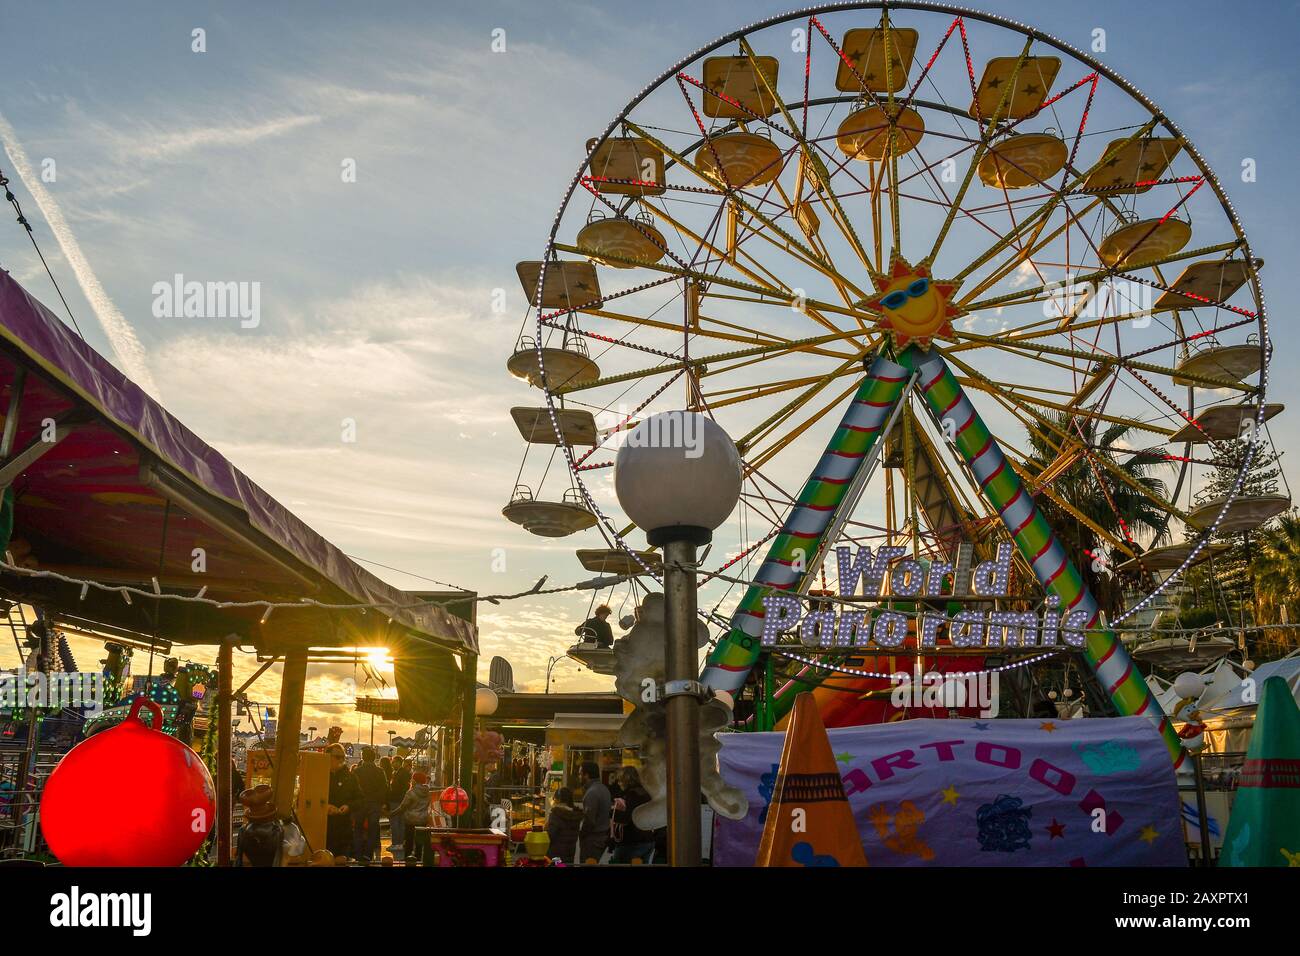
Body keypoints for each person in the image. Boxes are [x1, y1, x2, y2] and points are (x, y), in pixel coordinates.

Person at [609, 766, 656, 863]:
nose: (619, 783)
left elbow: (626, 818)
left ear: (626, 780)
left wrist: (615, 811)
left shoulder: (632, 795)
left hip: (633, 840)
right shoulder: (646, 792)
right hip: (648, 839)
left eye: (620, 780)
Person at [351, 745, 388, 862]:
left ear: (363, 757)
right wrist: (382, 802)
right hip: (374, 804)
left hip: (360, 803)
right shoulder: (380, 771)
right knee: (373, 830)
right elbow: (385, 788)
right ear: (373, 758)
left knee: (358, 829)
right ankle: (368, 854)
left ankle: (357, 855)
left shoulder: (357, 771)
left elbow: (352, 789)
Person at [325, 744, 361, 857]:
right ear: (327, 757)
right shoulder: (319, 775)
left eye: (343, 757)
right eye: (337, 756)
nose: (341, 760)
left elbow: (360, 799)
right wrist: (324, 807)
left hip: (343, 829)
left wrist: (348, 806)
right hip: (322, 829)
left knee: (341, 859)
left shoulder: (350, 777)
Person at [391, 771, 433, 864]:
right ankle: (417, 859)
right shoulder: (427, 792)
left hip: (410, 819)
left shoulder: (411, 792)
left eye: (412, 779)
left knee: (409, 840)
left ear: (415, 780)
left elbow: (402, 807)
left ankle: (408, 859)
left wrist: (392, 813)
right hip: (423, 819)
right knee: (419, 841)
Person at [578, 761, 611, 863]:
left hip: (593, 840)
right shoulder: (604, 789)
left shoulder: (592, 793)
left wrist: (582, 835)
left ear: (586, 775)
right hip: (602, 837)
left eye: (580, 773)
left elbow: (589, 820)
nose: (578, 776)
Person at [546, 787, 583, 864]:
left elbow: (550, 836)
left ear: (557, 799)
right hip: (570, 854)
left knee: (559, 865)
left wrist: (545, 829)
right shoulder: (575, 815)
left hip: (555, 857)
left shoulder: (556, 814)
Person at [387, 757, 412, 857]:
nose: (392, 764)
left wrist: (390, 792)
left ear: (398, 763)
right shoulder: (404, 773)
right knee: (401, 822)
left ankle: (396, 843)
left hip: (396, 800)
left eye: (393, 762)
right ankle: (400, 843)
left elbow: (396, 788)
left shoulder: (400, 774)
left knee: (395, 822)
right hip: (402, 800)